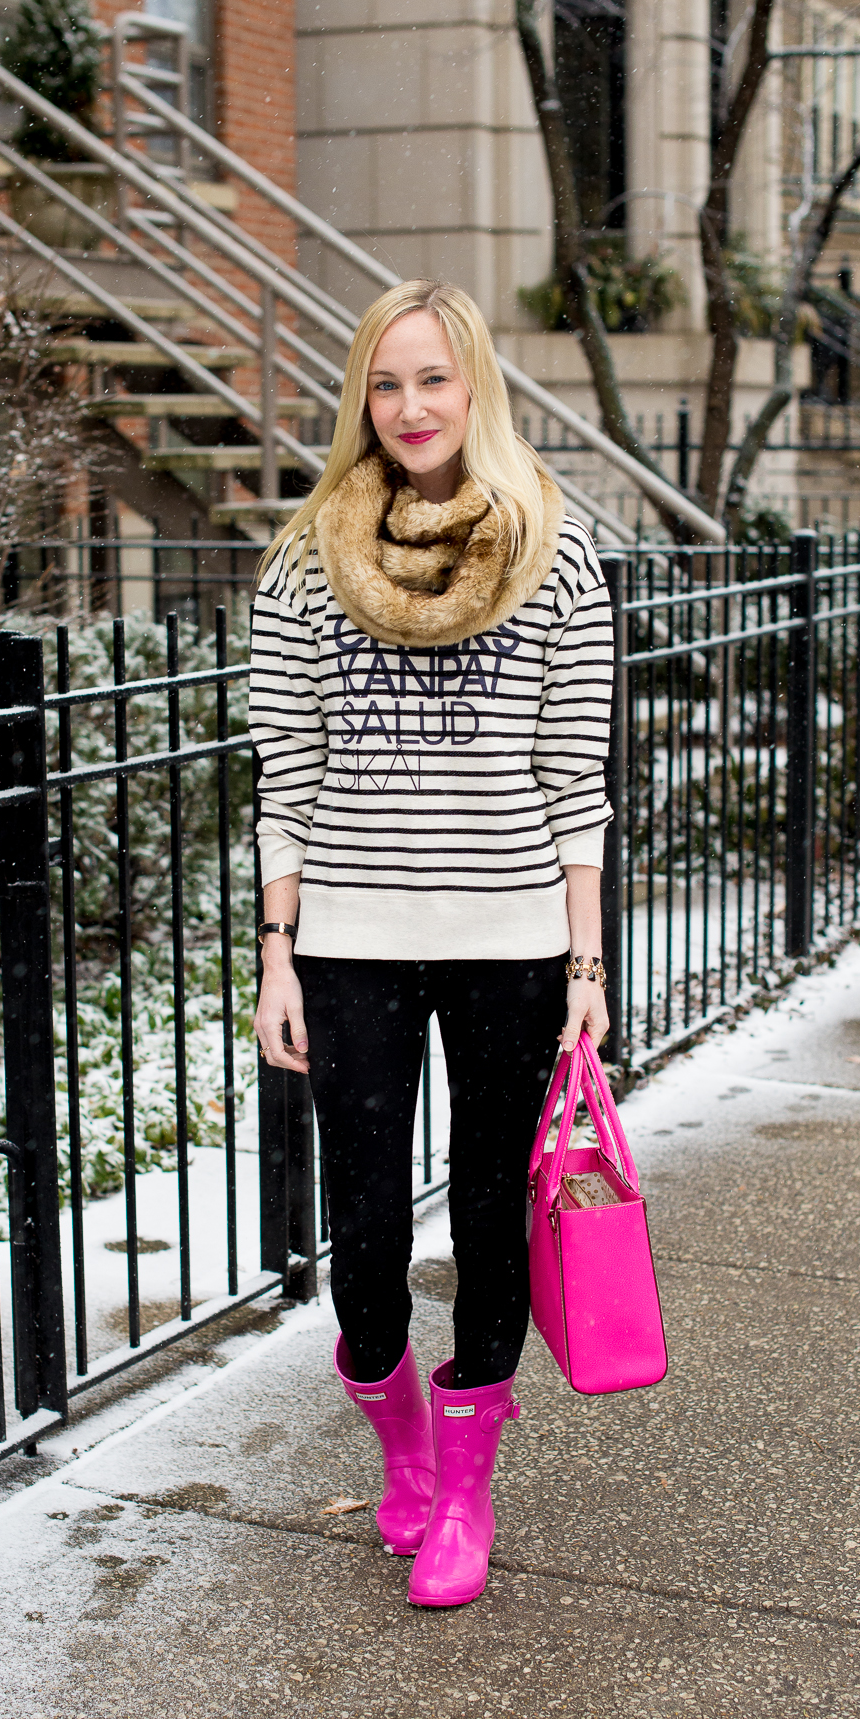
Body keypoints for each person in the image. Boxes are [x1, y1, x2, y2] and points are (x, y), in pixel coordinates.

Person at [249, 278, 612, 1608]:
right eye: (387, 383)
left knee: (491, 1218)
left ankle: (467, 1485)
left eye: (434, 380)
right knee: (361, 1228)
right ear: (364, 397)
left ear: (476, 391)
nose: (410, 407)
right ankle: (402, 1447)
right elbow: (283, 774)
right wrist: (278, 950)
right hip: (348, 941)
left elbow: (577, 780)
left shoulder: (553, 554)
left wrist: (585, 967)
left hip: (512, 941)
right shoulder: (304, 561)